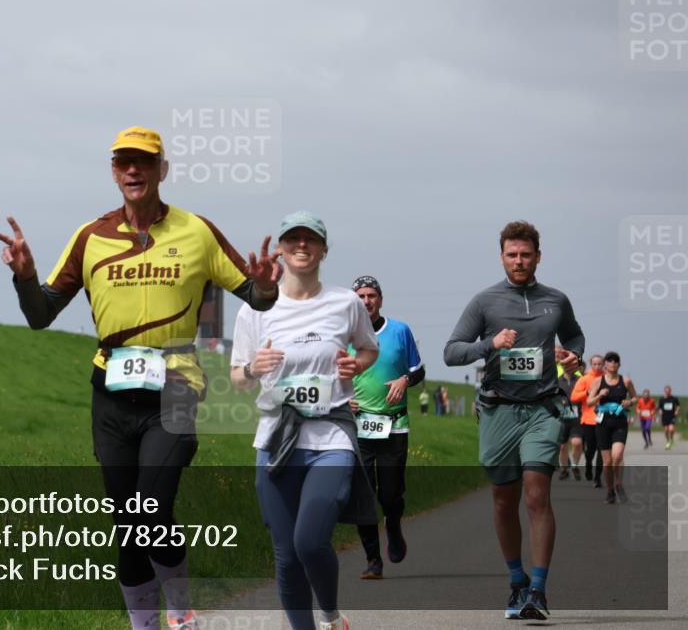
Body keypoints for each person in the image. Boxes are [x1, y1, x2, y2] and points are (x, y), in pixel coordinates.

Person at [0, 126, 282, 630]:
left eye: (144, 163)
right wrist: (23, 276)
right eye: (124, 163)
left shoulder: (198, 231)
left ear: (161, 171)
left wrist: (265, 289)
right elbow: (41, 315)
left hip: (175, 386)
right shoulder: (90, 237)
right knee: (127, 526)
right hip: (110, 391)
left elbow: (255, 297)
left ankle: (180, 610)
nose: (134, 171)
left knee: (150, 511)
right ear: (113, 172)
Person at [231, 211, 379, 630]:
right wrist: (255, 369)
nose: (301, 245)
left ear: (323, 250)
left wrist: (357, 365)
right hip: (276, 439)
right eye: (292, 239)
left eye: (310, 239)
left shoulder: (345, 302)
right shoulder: (256, 310)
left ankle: (331, 614)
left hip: (330, 435)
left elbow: (368, 349)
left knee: (310, 541)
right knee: (286, 553)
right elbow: (238, 378)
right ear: (279, 248)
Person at [444, 220, 584, 621]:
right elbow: (452, 352)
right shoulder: (485, 302)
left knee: (537, 493)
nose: (519, 261)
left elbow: (574, 337)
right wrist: (491, 344)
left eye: (526, 254)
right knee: (504, 500)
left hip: (542, 407)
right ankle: (516, 581)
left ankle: (538, 591)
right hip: (498, 409)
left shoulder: (556, 300)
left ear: (538, 256)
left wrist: (572, 356)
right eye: (512, 254)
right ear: (501, 256)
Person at [347, 275, 425, 580]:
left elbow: (418, 371)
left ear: (380, 299)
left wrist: (405, 380)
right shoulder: (343, 334)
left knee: (390, 495)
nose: (367, 301)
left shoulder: (400, 331)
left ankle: (393, 524)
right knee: (363, 495)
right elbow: (328, 376)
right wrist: (344, 400)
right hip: (357, 428)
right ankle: (372, 560)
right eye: (361, 296)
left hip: (394, 425)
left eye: (372, 295)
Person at [586, 351, 637, 504]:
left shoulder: (626, 381)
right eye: (609, 360)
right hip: (603, 424)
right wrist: (599, 395)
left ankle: (619, 484)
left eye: (615, 360)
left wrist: (630, 402)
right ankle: (610, 490)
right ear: (605, 364)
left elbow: (635, 397)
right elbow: (589, 402)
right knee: (607, 462)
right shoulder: (598, 381)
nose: (612, 363)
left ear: (619, 364)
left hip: (620, 422)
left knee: (618, 455)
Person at [571, 355, 605, 487]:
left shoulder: (607, 379)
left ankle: (597, 477)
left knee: (602, 450)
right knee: (590, 450)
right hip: (588, 420)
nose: (597, 366)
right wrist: (586, 392)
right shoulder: (584, 379)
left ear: (603, 365)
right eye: (594, 364)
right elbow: (573, 397)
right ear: (591, 365)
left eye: (599, 364)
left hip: (604, 420)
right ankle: (588, 464)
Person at [556, 362, 582, 480]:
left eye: (571, 365)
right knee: (562, 447)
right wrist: (560, 401)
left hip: (576, 417)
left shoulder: (580, 380)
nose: (568, 367)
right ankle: (564, 469)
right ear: (563, 367)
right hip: (562, 418)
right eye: (566, 365)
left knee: (577, 443)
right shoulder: (557, 381)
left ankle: (575, 466)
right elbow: (551, 397)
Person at [659, 385, 681, 450]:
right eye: (666, 391)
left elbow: (678, 405)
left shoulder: (674, 398)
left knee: (671, 429)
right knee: (666, 430)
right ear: (664, 391)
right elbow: (660, 407)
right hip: (665, 416)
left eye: (668, 391)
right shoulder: (661, 399)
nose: (667, 392)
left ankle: (671, 439)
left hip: (672, 416)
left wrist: (677, 411)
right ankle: (668, 441)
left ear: (670, 391)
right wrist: (660, 411)